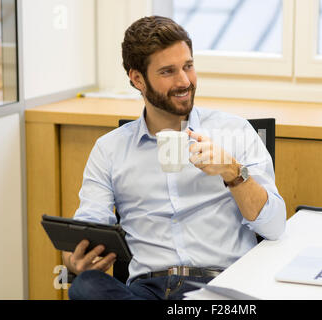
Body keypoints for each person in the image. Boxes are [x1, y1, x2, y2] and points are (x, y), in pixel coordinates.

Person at [64, 15, 286, 300]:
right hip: (146, 291)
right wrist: (76, 257)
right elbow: (90, 222)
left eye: (188, 66)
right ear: (137, 79)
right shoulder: (109, 150)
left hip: (221, 286)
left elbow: (275, 226)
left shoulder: (234, 131)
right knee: (85, 285)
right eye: (168, 71)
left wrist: (232, 171)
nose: (184, 81)